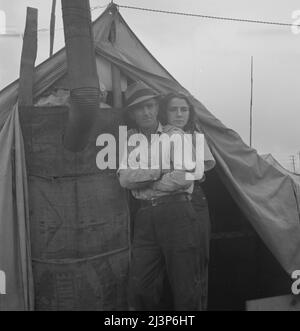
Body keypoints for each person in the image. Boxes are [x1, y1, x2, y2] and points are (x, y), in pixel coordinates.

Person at [117, 81, 205, 311]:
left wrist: (144, 183)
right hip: (145, 219)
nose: (146, 112)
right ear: (133, 114)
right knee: (140, 287)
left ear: (158, 108)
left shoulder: (175, 135)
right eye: (139, 108)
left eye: (150, 106)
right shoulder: (130, 141)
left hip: (177, 213)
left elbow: (185, 177)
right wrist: (159, 171)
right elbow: (125, 179)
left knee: (186, 286)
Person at [159, 92, 216, 310]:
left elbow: (202, 171)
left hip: (193, 199)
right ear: (165, 111)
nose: (179, 114)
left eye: (184, 109)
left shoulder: (194, 135)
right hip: (166, 202)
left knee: (197, 263)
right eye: (174, 109)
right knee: (175, 266)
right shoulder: (158, 135)